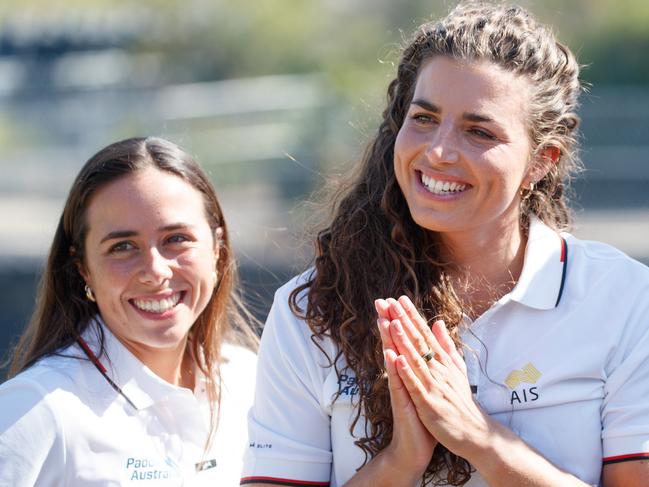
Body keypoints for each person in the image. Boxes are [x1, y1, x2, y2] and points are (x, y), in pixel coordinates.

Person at [241, 2, 649, 486]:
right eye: (425, 118)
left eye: (479, 131)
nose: (437, 151)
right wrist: (399, 461)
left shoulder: (625, 297)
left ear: (541, 161)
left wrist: (481, 440)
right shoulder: (313, 309)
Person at [0, 136, 258, 486]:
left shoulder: (254, 380)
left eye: (176, 239)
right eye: (123, 247)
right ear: (84, 269)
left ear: (217, 247)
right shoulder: (38, 408)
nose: (155, 271)